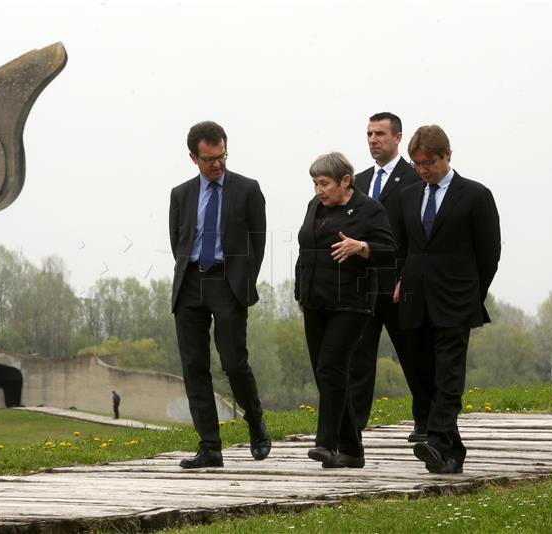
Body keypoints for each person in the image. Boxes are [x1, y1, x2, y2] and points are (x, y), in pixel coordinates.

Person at [392, 125, 501, 474]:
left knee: (449, 373)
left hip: (456, 299)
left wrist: (472, 292)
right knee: (422, 372)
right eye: (416, 163)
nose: (422, 170)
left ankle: (437, 439)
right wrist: (400, 279)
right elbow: (403, 246)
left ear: (447, 155)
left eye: (428, 163)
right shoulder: (408, 196)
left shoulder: (475, 195)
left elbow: (489, 253)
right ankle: (451, 452)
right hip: (414, 298)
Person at [169, 121, 271, 469]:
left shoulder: (247, 189)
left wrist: (243, 282)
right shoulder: (180, 195)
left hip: (227, 284)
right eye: (210, 158)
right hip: (190, 286)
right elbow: (178, 243)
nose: (218, 164)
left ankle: (256, 423)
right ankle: (210, 447)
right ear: (193, 158)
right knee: (194, 367)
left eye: (222, 155)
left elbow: (258, 242)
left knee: (233, 362)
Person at [295, 152, 396, 468]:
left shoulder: (369, 210)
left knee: (331, 368)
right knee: (326, 374)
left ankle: (326, 443)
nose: (319, 190)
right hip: (314, 303)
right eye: (315, 183)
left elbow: (390, 252)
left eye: (324, 183)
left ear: (346, 181)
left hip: (351, 305)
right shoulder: (315, 207)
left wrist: (361, 247)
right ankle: (352, 450)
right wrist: (301, 291)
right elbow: (305, 249)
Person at [351, 112, 424, 441]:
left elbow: (419, 236)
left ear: (397, 137)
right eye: (368, 134)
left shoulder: (414, 179)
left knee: (413, 355)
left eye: (379, 134)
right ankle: (351, 429)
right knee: (358, 359)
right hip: (363, 287)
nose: (372, 140)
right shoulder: (359, 181)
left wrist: (407, 276)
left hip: (399, 285)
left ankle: (426, 422)